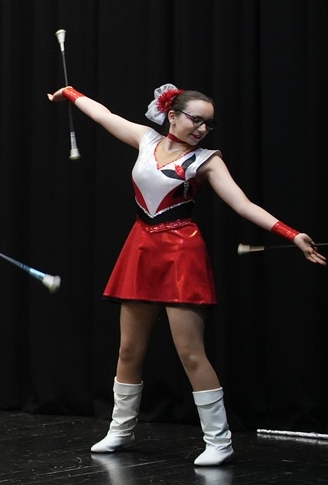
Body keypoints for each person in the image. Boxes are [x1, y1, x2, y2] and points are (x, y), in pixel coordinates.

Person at [50, 81, 323, 464]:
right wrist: (71, 94)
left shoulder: (207, 160)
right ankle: (120, 429)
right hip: (140, 248)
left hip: (181, 252)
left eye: (209, 124)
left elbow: (243, 204)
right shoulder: (146, 139)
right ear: (173, 115)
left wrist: (291, 234)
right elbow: (104, 115)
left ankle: (219, 441)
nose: (203, 129)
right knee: (128, 349)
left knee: (191, 353)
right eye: (197, 120)